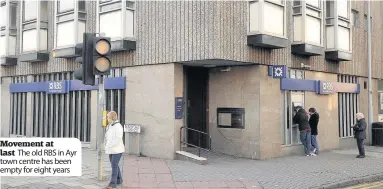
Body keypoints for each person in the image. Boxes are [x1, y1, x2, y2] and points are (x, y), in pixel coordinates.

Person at [104, 111, 125, 189]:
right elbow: (107, 137)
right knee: (115, 165)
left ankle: (112, 184)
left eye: (108, 117)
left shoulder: (118, 126)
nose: (107, 118)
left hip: (117, 150)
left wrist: (109, 145)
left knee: (114, 166)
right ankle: (119, 180)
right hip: (111, 149)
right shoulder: (110, 126)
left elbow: (118, 139)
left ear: (112, 118)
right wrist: (107, 145)